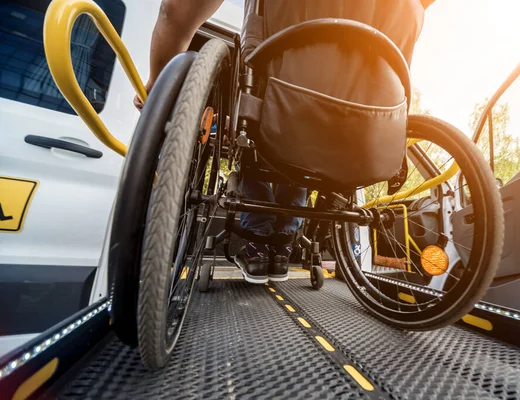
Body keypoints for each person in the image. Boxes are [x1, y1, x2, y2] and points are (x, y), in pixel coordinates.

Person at [135, 0, 431, 284]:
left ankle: (259, 247)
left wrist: (158, 83)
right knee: (307, 148)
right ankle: (282, 246)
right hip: (363, 125)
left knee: (273, 132)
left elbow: (174, 9)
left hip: (280, 106)